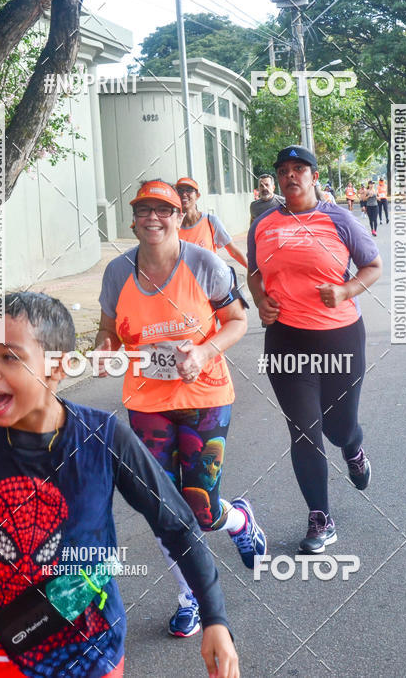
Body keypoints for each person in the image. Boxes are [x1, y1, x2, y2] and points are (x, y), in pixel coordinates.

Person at [0, 292, 239, 678]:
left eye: (9, 356)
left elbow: (176, 524)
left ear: (56, 367)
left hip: (92, 650)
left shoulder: (105, 437)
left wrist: (215, 620)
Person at [95, 180, 266, 638]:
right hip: (146, 403)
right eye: (144, 210)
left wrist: (204, 353)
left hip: (204, 398)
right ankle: (189, 594)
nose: (154, 218)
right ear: (132, 220)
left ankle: (240, 519)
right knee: (162, 508)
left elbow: (237, 321)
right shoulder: (117, 273)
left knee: (202, 510)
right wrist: (103, 351)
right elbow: (108, 330)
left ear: (178, 215)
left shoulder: (205, 263)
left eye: (163, 210)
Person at [246, 146, 382, 554]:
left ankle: (353, 448)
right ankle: (320, 515)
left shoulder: (337, 218)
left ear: (314, 175)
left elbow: (372, 266)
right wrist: (260, 299)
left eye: (299, 169)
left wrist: (345, 289)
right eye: (283, 171)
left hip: (339, 337)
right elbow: (254, 272)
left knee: (338, 427)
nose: (291, 176)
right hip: (286, 339)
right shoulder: (263, 223)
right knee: (305, 430)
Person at [176, 177, 248, 268]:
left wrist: (252, 271)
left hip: (208, 281)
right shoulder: (172, 226)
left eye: (189, 190)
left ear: (197, 195)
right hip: (182, 281)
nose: (184, 194)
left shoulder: (211, 221)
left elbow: (233, 251)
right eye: (180, 191)